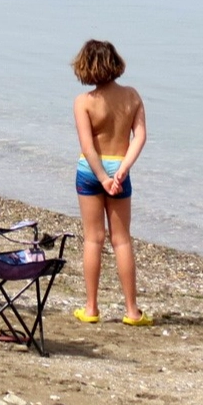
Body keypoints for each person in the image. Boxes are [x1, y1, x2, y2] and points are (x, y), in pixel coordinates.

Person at [71, 39, 151, 326]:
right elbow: (140, 136)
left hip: (90, 170)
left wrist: (102, 178)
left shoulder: (84, 102)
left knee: (93, 238)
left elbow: (87, 145)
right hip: (119, 167)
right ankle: (132, 311)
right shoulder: (131, 96)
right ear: (115, 63)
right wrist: (122, 170)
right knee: (122, 239)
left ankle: (91, 308)